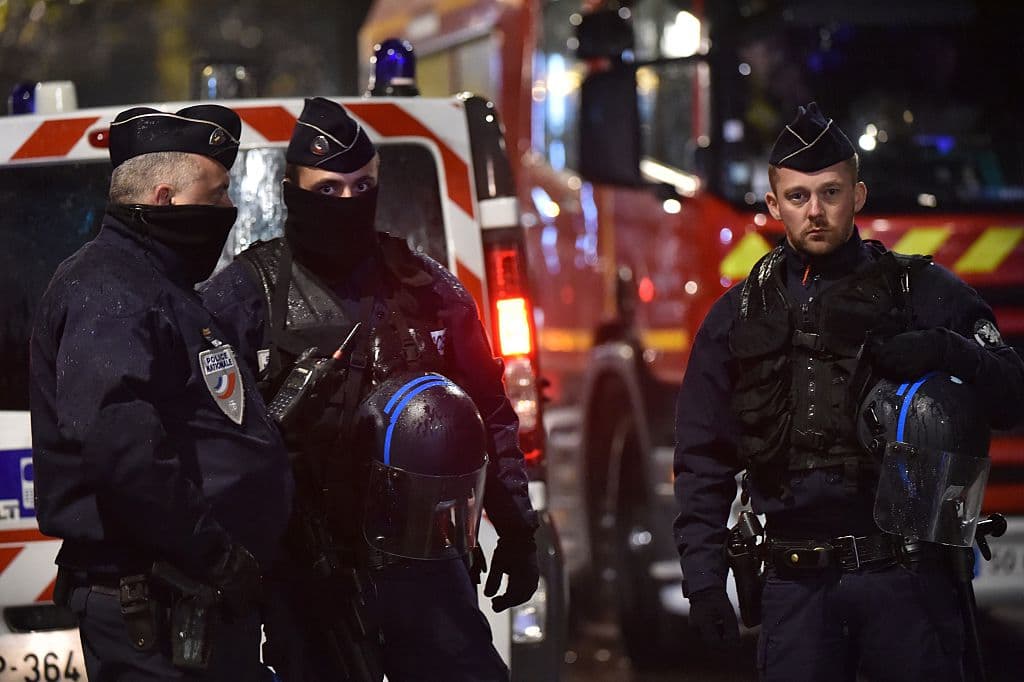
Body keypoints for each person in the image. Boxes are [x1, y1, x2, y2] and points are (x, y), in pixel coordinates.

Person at [672, 102, 1024, 681]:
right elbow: (701, 458)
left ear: (857, 196)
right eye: (798, 196)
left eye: (830, 193)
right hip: (795, 591)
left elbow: (1012, 394)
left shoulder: (920, 291)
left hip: (907, 584)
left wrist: (946, 349)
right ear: (773, 205)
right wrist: (705, 581)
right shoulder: (738, 316)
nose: (815, 211)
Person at [201, 96, 539, 681]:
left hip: (426, 571)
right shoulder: (245, 297)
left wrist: (516, 528)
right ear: (292, 192)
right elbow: (210, 441)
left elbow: (488, 411)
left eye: (362, 187)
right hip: (308, 577)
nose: (347, 202)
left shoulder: (426, 289)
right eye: (328, 190)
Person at [29, 105, 293, 681]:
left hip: (192, 599)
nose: (229, 208)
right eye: (217, 194)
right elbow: (124, 451)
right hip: (155, 605)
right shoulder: (109, 289)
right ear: (166, 198)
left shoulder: (159, 285)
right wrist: (216, 554)